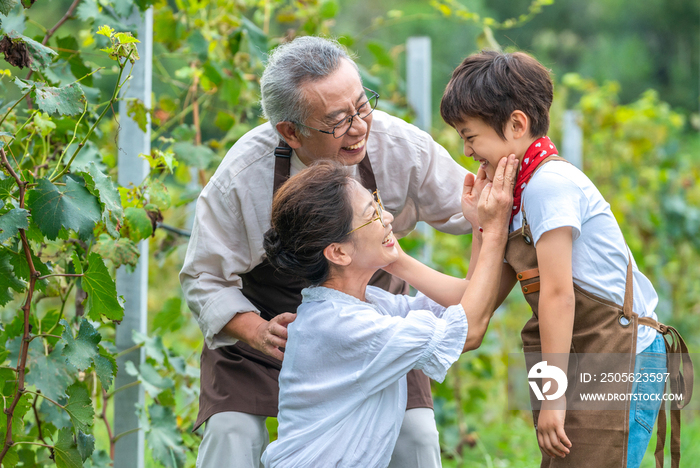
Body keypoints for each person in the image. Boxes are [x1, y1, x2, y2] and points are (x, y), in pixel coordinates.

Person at [179, 36, 475, 468]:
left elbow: (473, 209)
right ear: (289, 132)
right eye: (337, 120)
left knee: (415, 437)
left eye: (362, 105)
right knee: (232, 433)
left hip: (374, 319)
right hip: (270, 333)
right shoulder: (243, 176)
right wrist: (255, 331)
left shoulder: (399, 146)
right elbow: (203, 277)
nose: (359, 127)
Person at [439, 50, 692, 468]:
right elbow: (473, 302)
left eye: (470, 136)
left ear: (516, 124)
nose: (467, 152)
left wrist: (553, 399)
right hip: (577, 351)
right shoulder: (518, 196)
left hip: (619, 353)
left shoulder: (548, 185)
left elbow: (558, 295)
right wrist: (478, 227)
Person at [260, 157, 517, 467]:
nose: (388, 217)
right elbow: (469, 330)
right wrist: (495, 231)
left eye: (377, 202)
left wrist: (478, 227)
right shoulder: (344, 325)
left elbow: (463, 304)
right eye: (373, 215)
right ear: (339, 252)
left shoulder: (367, 303)